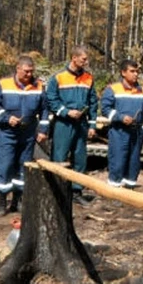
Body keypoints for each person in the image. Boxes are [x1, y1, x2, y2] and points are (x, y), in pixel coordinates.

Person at [0, 55, 49, 216]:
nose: (29, 75)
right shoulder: (3, 84)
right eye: (26, 71)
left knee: (24, 167)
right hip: (8, 133)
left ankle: (19, 200)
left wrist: (43, 130)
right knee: (5, 166)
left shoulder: (39, 86)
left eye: (31, 72)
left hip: (28, 134)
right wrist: (6, 117)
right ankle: (2, 203)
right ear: (18, 69)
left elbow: (44, 109)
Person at [45, 45, 98, 206]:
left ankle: (76, 192)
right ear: (74, 58)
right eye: (83, 59)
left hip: (81, 123)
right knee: (59, 157)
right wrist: (65, 112)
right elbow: (51, 99)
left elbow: (93, 102)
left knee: (80, 158)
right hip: (63, 123)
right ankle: (57, 192)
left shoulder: (88, 78)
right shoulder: (58, 78)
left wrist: (92, 124)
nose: (86, 61)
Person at [101, 59, 143, 189]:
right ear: (123, 73)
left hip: (136, 133)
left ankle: (130, 189)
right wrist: (120, 117)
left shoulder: (142, 90)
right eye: (132, 71)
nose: (136, 74)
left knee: (134, 161)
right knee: (117, 160)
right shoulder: (113, 89)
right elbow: (105, 109)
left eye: (137, 71)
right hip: (119, 132)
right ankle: (114, 190)